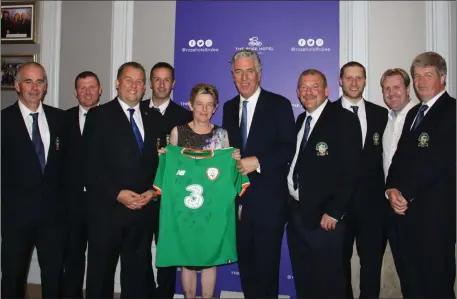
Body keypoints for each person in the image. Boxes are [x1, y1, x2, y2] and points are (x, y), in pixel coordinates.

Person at [84, 62, 163, 298]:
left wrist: (152, 192)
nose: (134, 86)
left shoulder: (153, 118)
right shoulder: (99, 115)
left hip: (142, 212)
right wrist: (117, 194)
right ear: (117, 83)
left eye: (140, 81)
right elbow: (89, 166)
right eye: (129, 80)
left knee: (138, 278)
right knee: (101, 278)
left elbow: (160, 164)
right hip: (108, 211)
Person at [222, 49, 296, 298]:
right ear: (232, 75)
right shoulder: (229, 107)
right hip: (239, 207)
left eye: (249, 71)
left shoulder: (279, 104)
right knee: (247, 273)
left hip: (269, 206)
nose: (244, 78)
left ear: (259, 74)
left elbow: (288, 147)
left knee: (266, 275)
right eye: (238, 72)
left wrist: (259, 161)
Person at [286, 69, 362, 297]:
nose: (308, 92)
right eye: (303, 88)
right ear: (298, 92)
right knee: (305, 281)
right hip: (298, 215)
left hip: (325, 220)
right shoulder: (301, 120)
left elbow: (352, 171)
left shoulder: (344, 119)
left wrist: (334, 212)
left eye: (315, 87)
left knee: (331, 285)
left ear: (327, 90)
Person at [386, 51, 456, 298]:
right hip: (405, 218)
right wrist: (391, 188)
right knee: (412, 285)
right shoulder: (414, 114)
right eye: (417, 76)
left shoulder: (452, 111)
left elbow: (442, 162)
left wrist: (407, 193)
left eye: (428, 75)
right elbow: (399, 159)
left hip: (435, 218)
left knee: (437, 285)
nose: (421, 81)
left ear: (443, 78)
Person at [157, 83, 232, 299]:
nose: (204, 109)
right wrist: (166, 156)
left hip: (212, 207)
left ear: (215, 108)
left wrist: (234, 160)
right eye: (199, 104)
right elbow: (172, 169)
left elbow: (226, 171)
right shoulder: (178, 132)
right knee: (187, 259)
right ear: (190, 105)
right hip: (184, 206)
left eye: (209, 105)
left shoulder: (222, 135)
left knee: (210, 258)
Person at [1, 62, 66, 298]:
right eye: (28, 81)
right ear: (17, 86)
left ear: (46, 86)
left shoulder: (60, 120)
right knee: (12, 277)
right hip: (16, 217)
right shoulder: (3, 121)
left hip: (54, 218)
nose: (34, 87)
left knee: (53, 277)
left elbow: (66, 168)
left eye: (39, 81)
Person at [335, 61, 388, 298]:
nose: (354, 83)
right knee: (339, 264)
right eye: (349, 78)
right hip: (339, 207)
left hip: (373, 207)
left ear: (365, 81)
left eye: (359, 78)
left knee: (371, 264)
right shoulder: (328, 114)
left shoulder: (381, 114)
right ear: (340, 80)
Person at [141, 62, 192, 299]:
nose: (161, 84)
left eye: (166, 79)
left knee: (168, 253)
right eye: (157, 79)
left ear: (173, 84)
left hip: (170, 197)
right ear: (150, 82)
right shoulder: (136, 110)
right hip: (140, 195)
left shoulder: (184, 117)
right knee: (139, 253)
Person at [60, 71, 102, 298]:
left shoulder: (110, 118)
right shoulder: (62, 120)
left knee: (99, 259)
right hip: (72, 202)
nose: (87, 92)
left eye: (92, 87)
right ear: (75, 92)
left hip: (101, 202)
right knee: (73, 256)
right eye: (82, 88)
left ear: (100, 90)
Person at [381, 68, 418, 180]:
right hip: (388, 194)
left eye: (396, 87)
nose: (391, 93)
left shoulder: (421, 117)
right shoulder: (383, 120)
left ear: (407, 90)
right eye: (387, 88)